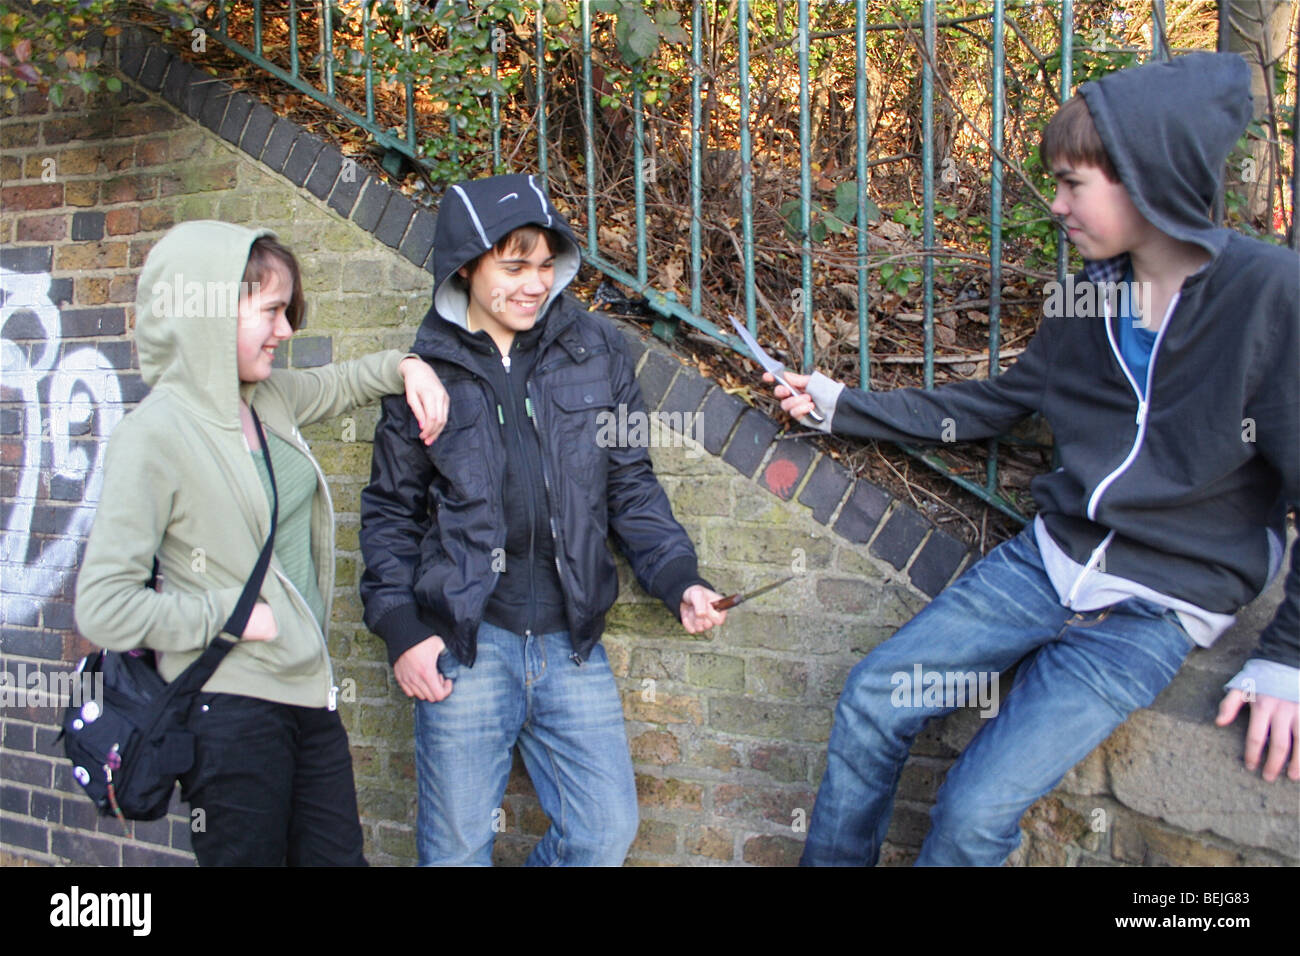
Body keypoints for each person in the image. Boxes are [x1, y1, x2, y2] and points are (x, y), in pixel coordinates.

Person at [768, 52, 1298, 866]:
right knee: (875, 696)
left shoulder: (1269, 295)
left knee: (974, 813)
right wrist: (840, 405)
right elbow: (995, 405)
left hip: (1153, 610)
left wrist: (1285, 659)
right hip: (1047, 566)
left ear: (1146, 177)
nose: (1056, 206)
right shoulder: (1089, 297)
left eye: (1072, 183)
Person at [359, 173, 727, 866]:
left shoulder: (593, 350)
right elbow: (389, 514)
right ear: (467, 265)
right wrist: (401, 630)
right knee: (457, 852)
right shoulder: (425, 370)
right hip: (465, 645)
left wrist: (680, 578)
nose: (536, 282)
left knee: (602, 832)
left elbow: (629, 485)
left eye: (546, 263)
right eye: (514, 264)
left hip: (570, 643)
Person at [74, 220, 449, 866]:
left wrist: (408, 368)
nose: (286, 330)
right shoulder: (155, 433)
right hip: (229, 707)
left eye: (287, 311)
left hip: (309, 695)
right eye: (272, 311)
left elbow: (345, 383)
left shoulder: (267, 400)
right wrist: (228, 614)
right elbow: (102, 605)